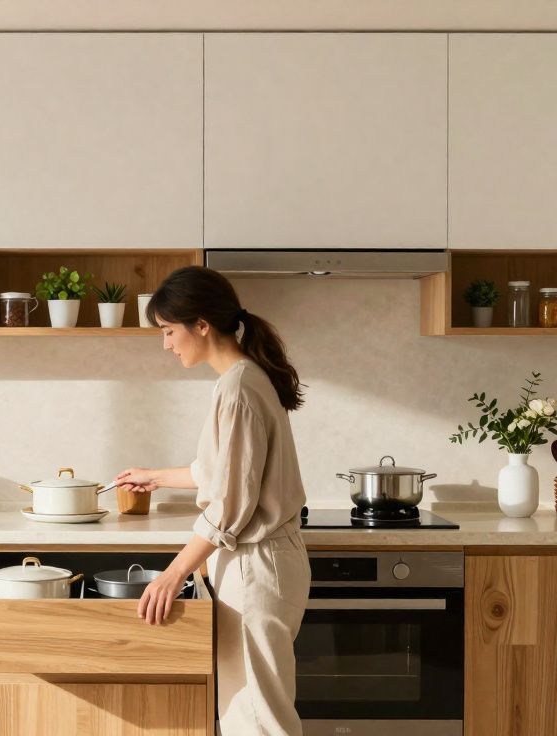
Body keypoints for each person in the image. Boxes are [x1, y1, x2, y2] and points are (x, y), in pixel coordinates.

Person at [115, 266, 310, 736]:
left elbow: (228, 506)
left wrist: (174, 572)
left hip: (255, 567)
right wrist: (155, 476)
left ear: (201, 325)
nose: (166, 344)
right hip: (263, 563)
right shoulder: (244, 379)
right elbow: (223, 473)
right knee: (253, 713)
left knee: (258, 721)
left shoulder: (238, 387)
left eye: (168, 331)